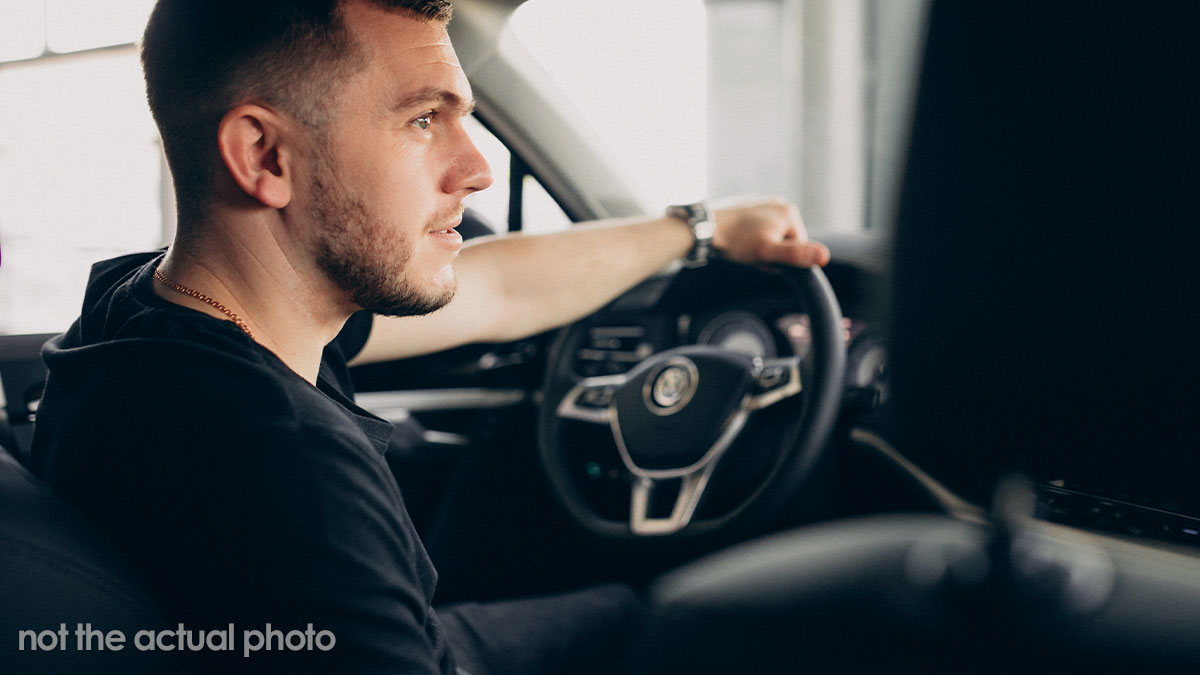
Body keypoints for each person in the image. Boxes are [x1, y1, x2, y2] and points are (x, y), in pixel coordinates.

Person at [30, 0, 830, 673]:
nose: (476, 168)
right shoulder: (289, 468)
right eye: (423, 119)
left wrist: (702, 228)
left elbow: (498, 288)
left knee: (644, 606)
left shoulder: (144, 312)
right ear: (263, 154)